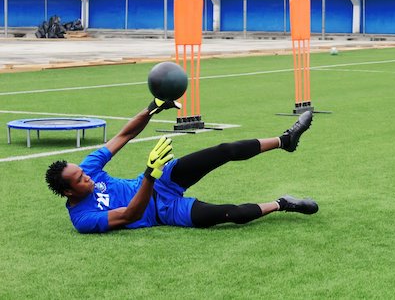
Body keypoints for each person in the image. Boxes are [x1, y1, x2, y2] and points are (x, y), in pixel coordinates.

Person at [45, 97, 317, 234]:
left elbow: (124, 135)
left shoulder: (88, 168)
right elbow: (130, 215)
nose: (86, 177)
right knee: (231, 214)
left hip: (161, 180)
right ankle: (283, 203)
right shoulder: (82, 219)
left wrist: (151, 108)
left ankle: (285, 140)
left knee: (223, 151)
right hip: (165, 211)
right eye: (80, 179)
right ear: (69, 191)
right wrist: (150, 175)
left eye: (82, 173)